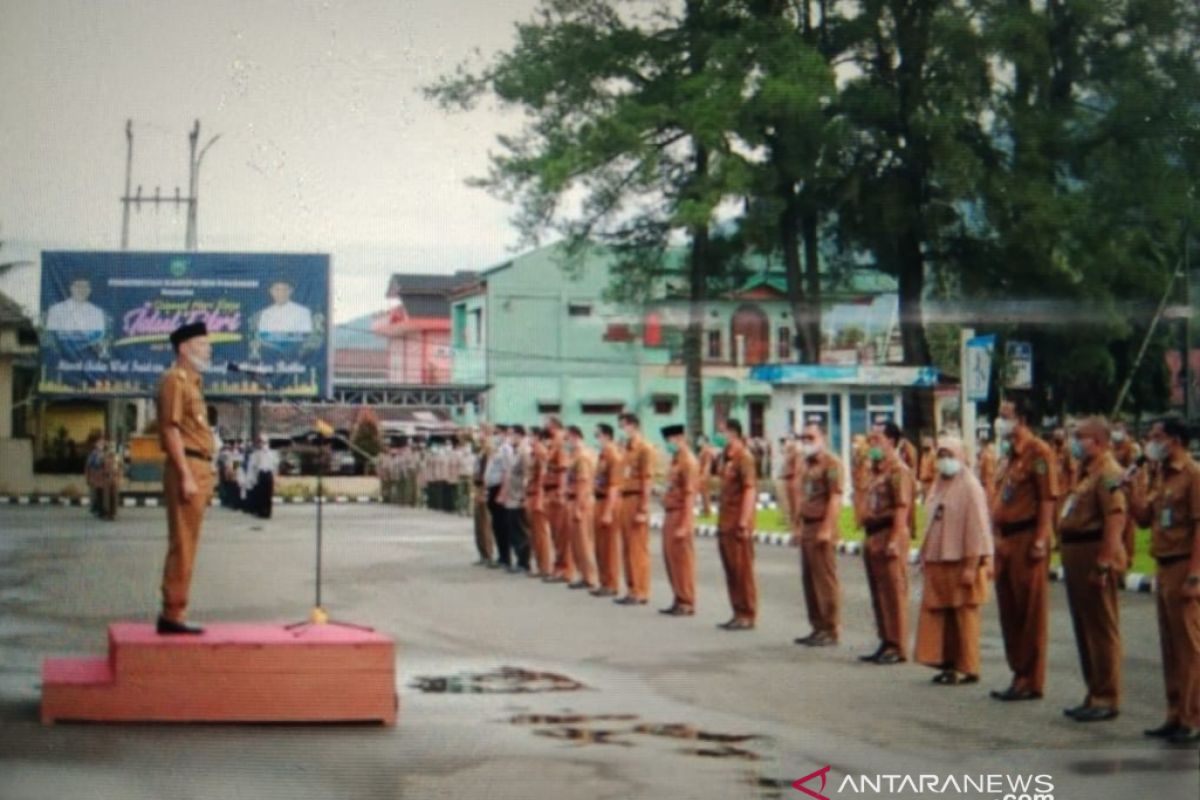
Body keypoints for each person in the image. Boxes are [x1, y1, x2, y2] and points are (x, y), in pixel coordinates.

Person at [1128, 418, 1200, 745]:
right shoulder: (1158, 474)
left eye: (1157, 437)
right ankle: (1174, 713)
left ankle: (1193, 716)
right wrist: (1132, 490)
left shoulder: (1193, 475)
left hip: (1185, 564)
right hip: (1163, 564)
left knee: (1189, 647)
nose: (1151, 442)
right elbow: (1144, 520)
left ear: (1174, 440)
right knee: (1170, 646)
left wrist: (1196, 574)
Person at [1058, 417, 1128, 723]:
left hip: (1093, 551)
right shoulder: (1087, 471)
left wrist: (1104, 562)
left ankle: (1106, 695)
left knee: (1101, 628)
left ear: (1097, 441)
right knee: (1084, 627)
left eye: (1080, 437)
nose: (1075, 442)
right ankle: (1093, 691)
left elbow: (1115, 518)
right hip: (1076, 552)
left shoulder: (1109, 473)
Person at [989, 395, 1058, 702]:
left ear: (1022, 420)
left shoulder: (1038, 453)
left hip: (1026, 537)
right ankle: (1018, 672)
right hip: (1005, 539)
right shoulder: (1009, 455)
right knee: (1010, 611)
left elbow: (1047, 498)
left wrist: (1042, 538)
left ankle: (1031, 678)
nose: (1000, 421)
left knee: (1030, 613)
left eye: (1006, 416)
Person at [915, 437, 993, 685]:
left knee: (964, 617)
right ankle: (947, 663)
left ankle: (967, 667)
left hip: (962, 562)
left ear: (961, 456)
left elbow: (977, 528)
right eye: (941, 455)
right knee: (942, 617)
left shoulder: (971, 487)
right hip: (939, 561)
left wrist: (972, 566)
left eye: (949, 455)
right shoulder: (938, 485)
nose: (944, 461)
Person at [156, 321, 216, 635]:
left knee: (189, 542)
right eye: (202, 344)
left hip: (200, 467)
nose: (209, 349)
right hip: (188, 468)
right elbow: (170, 429)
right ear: (184, 348)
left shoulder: (194, 383)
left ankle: (177, 611)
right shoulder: (174, 381)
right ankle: (172, 613)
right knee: (183, 542)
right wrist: (185, 475)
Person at [859, 421, 915, 664]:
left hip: (890, 532)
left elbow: (902, 507)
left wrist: (894, 539)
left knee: (893, 592)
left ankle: (897, 645)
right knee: (878, 592)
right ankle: (885, 639)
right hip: (873, 534)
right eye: (870, 441)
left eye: (876, 440)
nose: (872, 445)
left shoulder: (897, 471)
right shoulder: (875, 470)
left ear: (891, 441)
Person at [791, 422, 843, 647]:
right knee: (809, 581)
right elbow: (801, 496)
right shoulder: (804, 463)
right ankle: (817, 626)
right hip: (808, 525)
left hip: (822, 525)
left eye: (811, 437)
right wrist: (797, 525)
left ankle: (830, 629)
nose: (806, 442)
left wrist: (827, 528)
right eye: (804, 438)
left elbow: (835, 497)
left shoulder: (832, 463)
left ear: (823, 437)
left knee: (824, 580)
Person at [716, 419, 759, 630]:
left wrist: (744, 521)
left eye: (723, 432)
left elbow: (750, 490)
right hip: (725, 520)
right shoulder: (727, 457)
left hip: (737, 521)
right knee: (731, 569)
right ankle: (737, 611)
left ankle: (747, 613)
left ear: (733, 433)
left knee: (742, 570)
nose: (720, 436)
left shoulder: (744, 458)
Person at [615, 413, 655, 606]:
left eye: (624, 426)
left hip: (636, 498)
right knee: (627, 547)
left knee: (637, 548)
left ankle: (641, 590)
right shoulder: (626, 451)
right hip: (625, 498)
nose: (623, 430)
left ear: (634, 426)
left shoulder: (644, 449)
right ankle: (631, 588)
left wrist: (644, 508)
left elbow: (647, 480)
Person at [660, 424, 699, 616]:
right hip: (670, 512)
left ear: (680, 438)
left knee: (682, 560)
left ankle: (686, 601)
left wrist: (686, 523)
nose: (669, 444)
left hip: (680, 513)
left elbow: (690, 494)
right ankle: (678, 597)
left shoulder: (688, 461)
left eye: (670, 440)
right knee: (671, 559)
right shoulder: (675, 460)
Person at [564, 426, 599, 590]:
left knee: (584, 541)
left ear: (575, 437)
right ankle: (583, 575)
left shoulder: (583, 457)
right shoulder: (575, 455)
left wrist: (578, 507)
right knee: (576, 542)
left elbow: (583, 483)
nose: (566, 442)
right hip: (573, 499)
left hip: (581, 501)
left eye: (567, 438)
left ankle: (589, 576)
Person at [591, 423, 624, 598]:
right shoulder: (602, 455)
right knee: (600, 545)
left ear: (606, 436)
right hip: (599, 500)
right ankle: (604, 581)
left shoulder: (614, 456)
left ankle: (611, 583)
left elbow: (614, 486)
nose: (596, 439)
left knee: (609, 546)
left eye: (598, 435)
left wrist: (608, 512)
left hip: (608, 502)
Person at [543, 417, 574, 584]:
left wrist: (561, 493)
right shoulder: (554, 442)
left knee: (562, 533)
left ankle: (564, 569)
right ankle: (558, 566)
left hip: (557, 492)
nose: (545, 428)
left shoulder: (561, 442)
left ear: (554, 425)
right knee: (556, 533)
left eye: (547, 425)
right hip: (550, 491)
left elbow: (563, 470)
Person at [498, 425, 531, 574]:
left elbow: (526, 476)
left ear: (520, 436)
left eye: (512, 435)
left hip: (519, 497)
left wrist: (525, 496)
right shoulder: (515, 452)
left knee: (520, 531)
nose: (509, 438)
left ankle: (524, 563)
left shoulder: (525, 452)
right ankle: (519, 560)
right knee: (512, 531)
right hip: (512, 497)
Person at [485, 425, 514, 569]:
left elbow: (507, 471)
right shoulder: (496, 450)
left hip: (500, 489)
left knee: (503, 525)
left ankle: (506, 557)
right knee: (496, 525)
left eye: (496, 433)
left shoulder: (506, 449)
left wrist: (503, 492)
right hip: (492, 488)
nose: (494, 436)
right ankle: (501, 556)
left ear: (503, 433)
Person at [524, 427, 551, 577]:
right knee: (534, 533)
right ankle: (540, 565)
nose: (529, 439)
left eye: (531, 436)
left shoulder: (541, 453)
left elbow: (542, 477)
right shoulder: (533, 453)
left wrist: (540, 499)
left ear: (537, 437)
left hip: (536, 495)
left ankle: (544, 567)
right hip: (530, 493)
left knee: (540, 533)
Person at [471, 427, 495, 566]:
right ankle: (482, 553)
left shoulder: (490, 451)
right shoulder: (480, 451)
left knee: (485, 523)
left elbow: (489, 472)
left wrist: (485, 491)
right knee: (478, 523)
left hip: (484, 489)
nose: (480, 436)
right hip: (478, 487)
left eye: (482, 433)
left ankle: (488, 553)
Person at [246, 435, 279, 519]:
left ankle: (267, 512)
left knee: (268, 494)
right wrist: (251, 478)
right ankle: (259, 511)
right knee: (260, 494)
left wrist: (275, 476)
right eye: (261, 442)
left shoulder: (272, 454)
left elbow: (275, 466)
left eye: (265, 442)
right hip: (259, 474)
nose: (263, 445)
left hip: (268, 474)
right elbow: (251, 466)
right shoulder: (255, 454)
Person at [85, 436, 107, 518]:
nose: (102, 445)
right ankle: (98, 509)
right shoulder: (94, 454)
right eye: (100, 443)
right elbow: (88, 466)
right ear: (96, 444)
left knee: (100, 494)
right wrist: (88, 477)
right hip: (95, 476)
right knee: (96, 494)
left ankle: (99, 509)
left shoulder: (103, 453)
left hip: (102, 477)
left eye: (103, 443)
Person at [696, 435, 717, 517]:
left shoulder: (707, 451)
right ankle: (706, 510)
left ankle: (707, 511)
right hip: (700, 473)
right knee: (703, 493)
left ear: (704, 441)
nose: (699, 442)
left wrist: (704, 476)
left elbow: (707, 464)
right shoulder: (703, 450)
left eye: (700, 440)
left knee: (705, 494)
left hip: (704, 474)